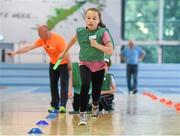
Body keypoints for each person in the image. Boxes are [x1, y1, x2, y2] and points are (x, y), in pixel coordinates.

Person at [59, 8, 113, 125]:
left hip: (99, 66)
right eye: (88, 18)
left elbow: (110, 50)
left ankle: (95, 106)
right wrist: (63, 53)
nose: (91, 20)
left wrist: (97, 45)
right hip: (85, 64)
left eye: (94, 18)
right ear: (85, 19)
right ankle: (82, 115)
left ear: (98, 20)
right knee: (85, 85)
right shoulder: (80, 31)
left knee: (96, 93)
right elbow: (72, 40)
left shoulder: (103, 32)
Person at [7, 24, 71, 113]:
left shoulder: (58, 39)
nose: (46, 33)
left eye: (46, 31)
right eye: (43, 32)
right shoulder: (42, 40)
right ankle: (54, 106)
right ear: (40, 35)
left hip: (63, 64)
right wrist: (15, 52)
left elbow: (67, 53)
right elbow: (29, 47)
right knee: (53, 85)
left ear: (49, 30)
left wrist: (69, 67)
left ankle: (63, 106)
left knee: (64, 85)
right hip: (54, 64)